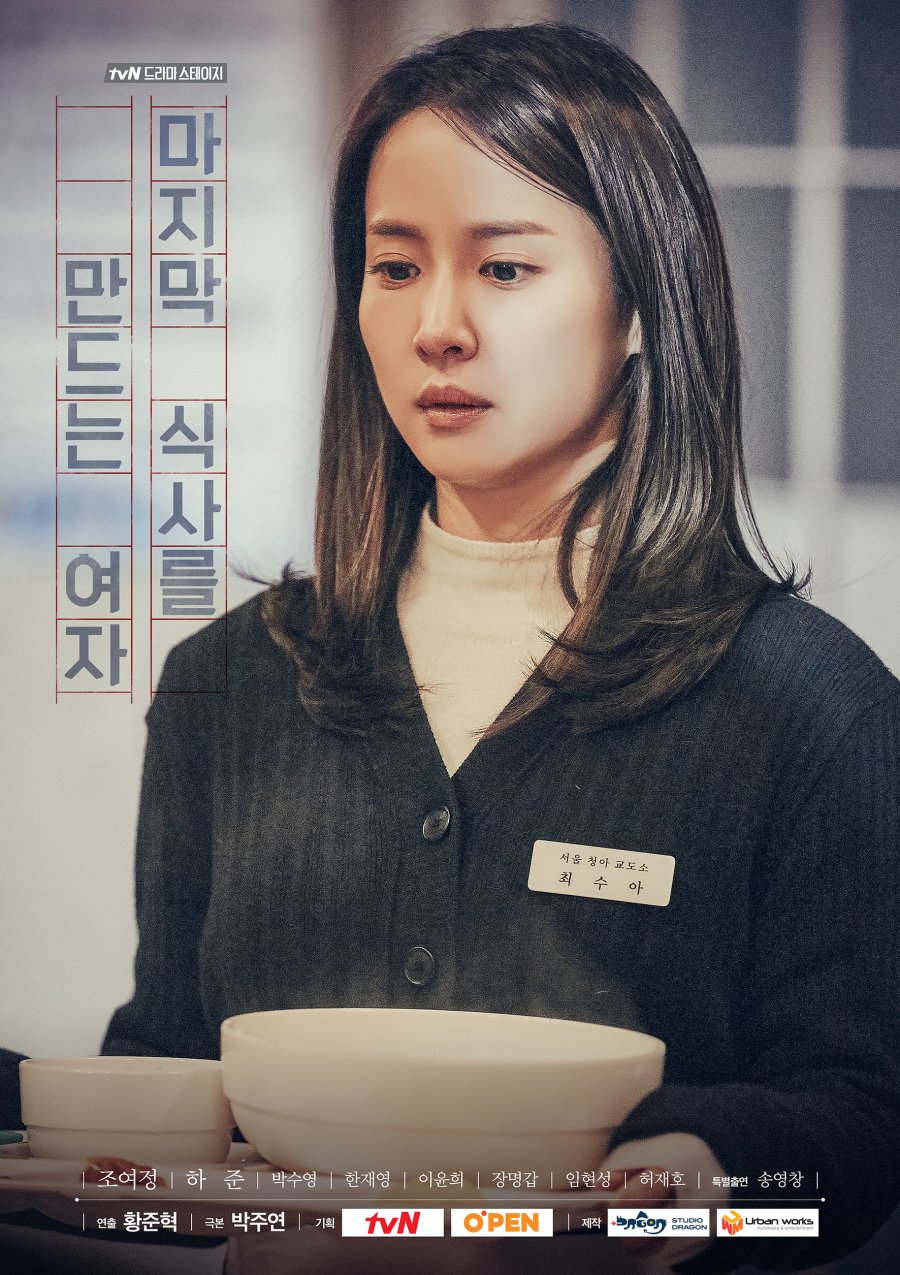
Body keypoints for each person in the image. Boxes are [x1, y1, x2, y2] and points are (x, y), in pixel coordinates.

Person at [101, 23, 899, 1274]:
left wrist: (683, 1192)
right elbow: (168, 1076)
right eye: (395, 267)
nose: (439, 326)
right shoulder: (229, 682)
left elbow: (853, 1148)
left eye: (506, 268)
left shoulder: (808, 705)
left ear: (640, 303)